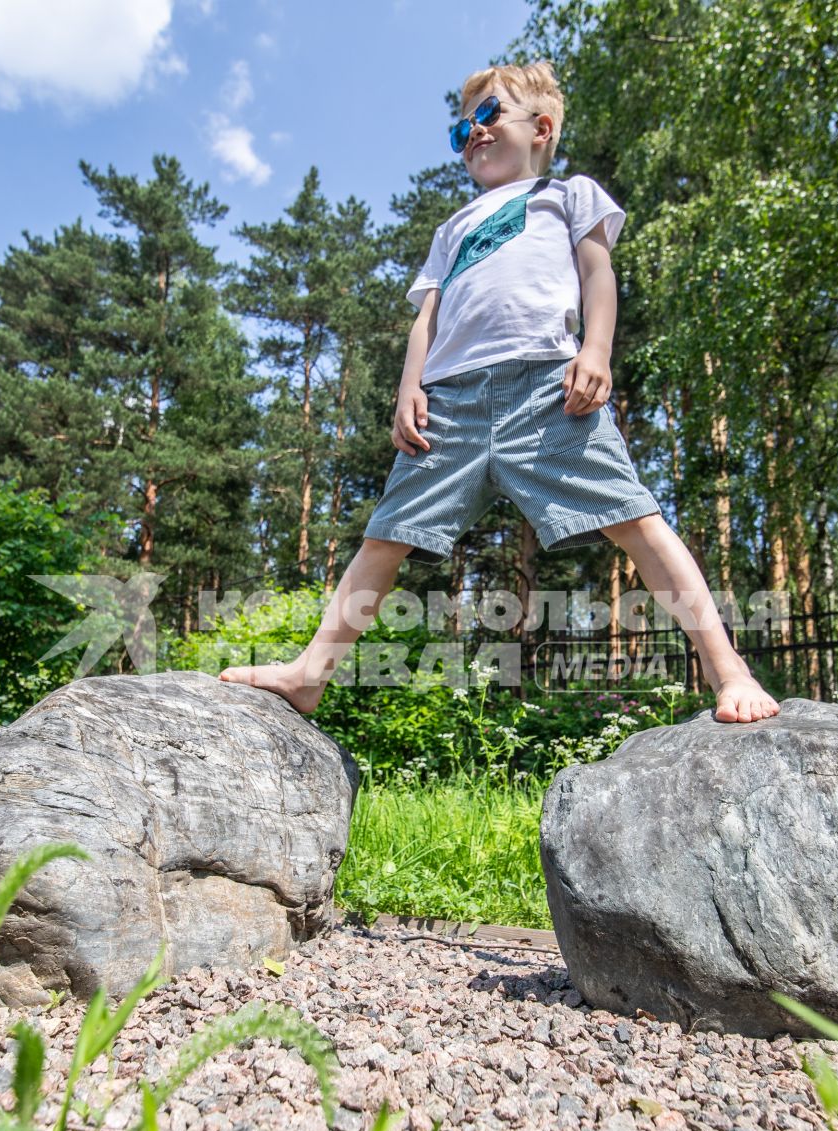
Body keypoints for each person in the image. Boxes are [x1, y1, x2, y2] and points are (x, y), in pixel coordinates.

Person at [221, 60, 779, 724]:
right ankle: (310, 674)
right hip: (449, 404)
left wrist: (595, 351)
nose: (473, 134)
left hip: (547, 392)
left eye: (488, 116)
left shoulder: (568, 194)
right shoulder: (451, 230)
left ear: (540, 128)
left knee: (637, 521)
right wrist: (409, 389)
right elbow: (425, 317)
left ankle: (728, 669)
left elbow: (598, 276)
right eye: (461, 129)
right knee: (384, 539)